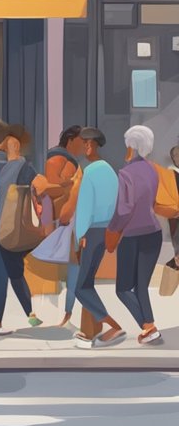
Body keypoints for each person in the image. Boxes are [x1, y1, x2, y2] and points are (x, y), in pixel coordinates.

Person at [70, 127, 126, 349]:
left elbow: (85, 208)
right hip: (106, 230)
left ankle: (113, 326)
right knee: (88, 281)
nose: (82, 147)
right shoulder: (110, 171)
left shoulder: (90, 171)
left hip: (91, 232)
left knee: (81, 287)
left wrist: (79, 236)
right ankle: (92, 330)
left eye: (84, 143)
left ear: (90, 145)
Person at [0, 124, 43, 335]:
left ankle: (15, 317)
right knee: (13, 273)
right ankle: (1, 322)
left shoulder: (3, 167)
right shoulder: (20, 166)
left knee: (6, 274)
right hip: (10, 228)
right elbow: (41, 186)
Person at [111, 126, 164, 346]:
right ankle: (149, 327)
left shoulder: (125, 173)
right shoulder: (153, 170)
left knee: (123, 288)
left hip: (132, 235)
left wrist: (113, 228)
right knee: (141, 285)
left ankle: (149, 327)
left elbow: (123, 210)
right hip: (154, 232)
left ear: (131, 147)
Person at [35, 126, 84, 328]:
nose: (85, 145)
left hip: (65, 221)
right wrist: (70, 185)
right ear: (71, 140)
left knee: (72, 268)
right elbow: (50, 188)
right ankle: (63, 314)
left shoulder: (68, 160)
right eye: (82, 140)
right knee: (67, 268)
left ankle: (67, 313)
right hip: (61, 221)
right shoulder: (58, 159)